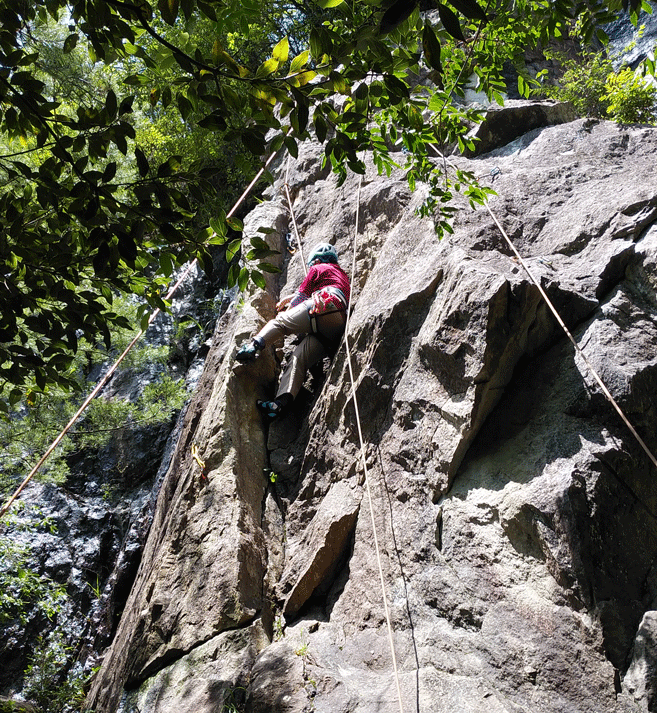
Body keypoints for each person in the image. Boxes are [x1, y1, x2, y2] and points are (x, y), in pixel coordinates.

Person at [235, 243, 351, 418]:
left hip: (321, 305)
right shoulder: (341, 276)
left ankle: (253, 346)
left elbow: (302, 297)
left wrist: (289, 313)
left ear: (317, 260)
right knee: (298, 358)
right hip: (336, 323)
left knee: (281, 323)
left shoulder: (318, 267)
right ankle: (279, 404)